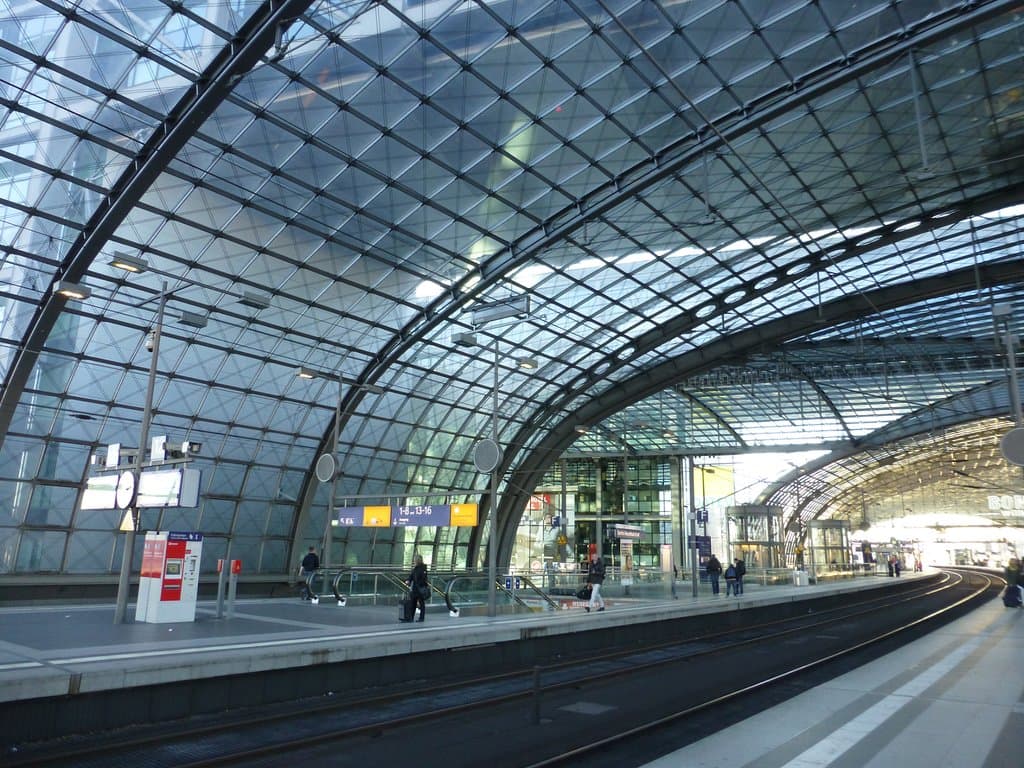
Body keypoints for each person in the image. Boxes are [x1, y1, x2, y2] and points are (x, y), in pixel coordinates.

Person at [404, 554, 429, 622]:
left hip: (420, 588)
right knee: (413, 603)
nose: (414, 561)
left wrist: (419, 583)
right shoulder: (415, 568)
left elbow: (424, 579)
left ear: (418, 560)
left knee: (421, 603)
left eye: (415, 559)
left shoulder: (423, 568)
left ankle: (421, 618)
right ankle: (410, 617)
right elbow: (411, 576)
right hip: (415, 588)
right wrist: (408, 580)